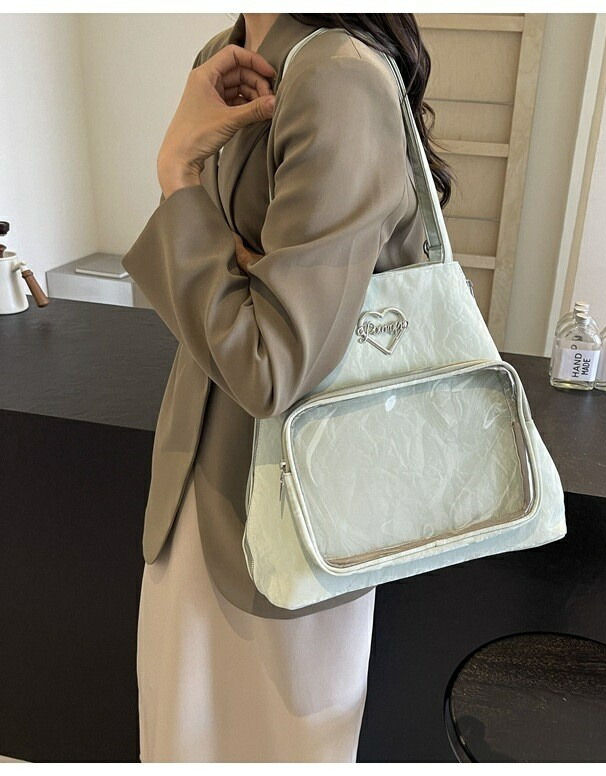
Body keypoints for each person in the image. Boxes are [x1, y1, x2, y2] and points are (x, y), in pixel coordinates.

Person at [122, 12, 452, 762]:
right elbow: (228, 312)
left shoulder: (338, 77)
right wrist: (231, 262)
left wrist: (177, 176)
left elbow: (271, 365)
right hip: (195, 488)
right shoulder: (226, 54)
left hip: (297, 513)